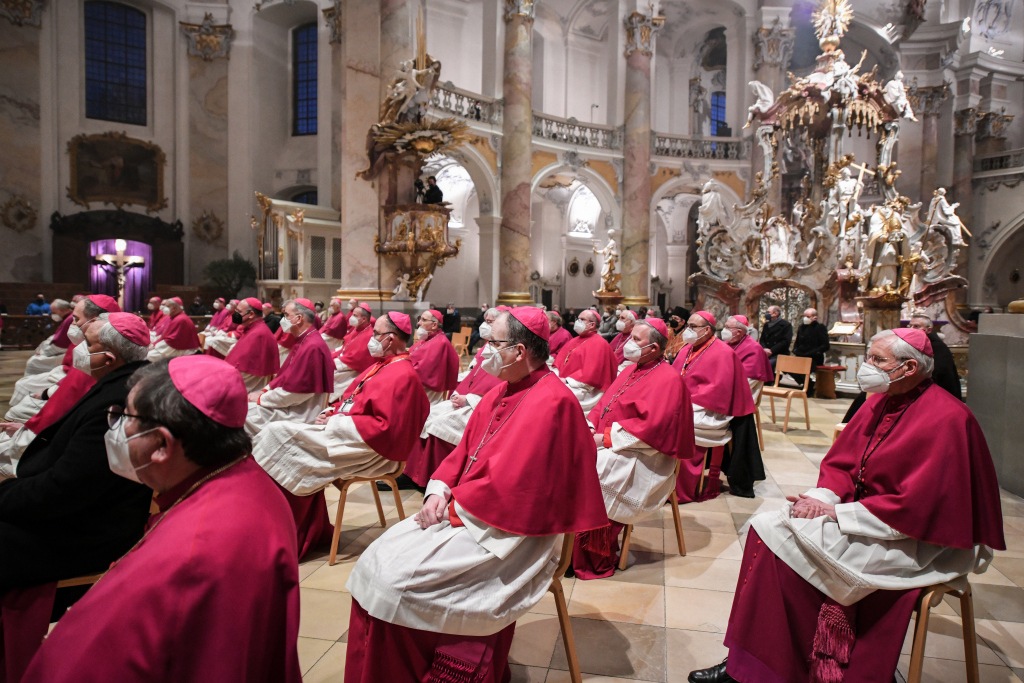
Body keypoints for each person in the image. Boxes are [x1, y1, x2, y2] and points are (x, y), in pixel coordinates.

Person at [687, 328, 1005, 683]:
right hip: (869, 517)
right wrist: (820, 498)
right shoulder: (880, 403)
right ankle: (751, 663)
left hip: (914, 539)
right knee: (767, 528)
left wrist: (836, 513)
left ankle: (775, 667)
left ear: (910, 367)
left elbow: (919, 507)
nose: (866, 367)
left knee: (787, 555)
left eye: (877, 360)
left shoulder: (948, 419)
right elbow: (844, 463)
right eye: (868, 356)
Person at [343, 307, 607, 682]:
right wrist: (438, 490)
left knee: (394, 582)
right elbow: (465, 451)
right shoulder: (503, 390)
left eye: (492, 342)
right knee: (376, 561)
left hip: (512, 537)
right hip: (474, 514)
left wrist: (454, 508)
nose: (484, 350)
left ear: (519, 351)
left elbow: (521, 489)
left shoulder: (552, 402)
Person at [22, 355, 302, 683]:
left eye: (123, 416)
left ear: (160, 445)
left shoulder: (190, 556)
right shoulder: (246, 476)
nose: (115, 428)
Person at [252, 312, 429, 559]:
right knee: (278, 434)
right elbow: (352, 399)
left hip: (369, 449)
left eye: (376, 334)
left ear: (390, 339)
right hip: (349, 433)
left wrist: (336, 421)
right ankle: (283, 526)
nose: (371, 338)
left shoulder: (403, 374)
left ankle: (294, 533)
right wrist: (331, 412)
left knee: (279, 436)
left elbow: (386, 428)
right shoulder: (384, 365)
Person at [0, 312, 153, 591]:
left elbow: (67, 487)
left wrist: (6, 495)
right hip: (78, 509)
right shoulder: (122, 382)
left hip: (86, 532)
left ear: (108, 359)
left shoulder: (117, 404)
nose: (79, 349)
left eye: (88, 343)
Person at [571, 318, 695, 579]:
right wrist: (591, 426)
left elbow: (652, 430)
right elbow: (603, 404)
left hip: (646, 457)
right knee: (569, 459)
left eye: (636, 340)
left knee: (593, 471)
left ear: (654, 347)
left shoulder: (668, 380)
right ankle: (565, 547)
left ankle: (592, 555)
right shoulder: (630, 370)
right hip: (617, 444)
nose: (629, 343)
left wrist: (604, 439)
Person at [404, 307, 504, 488]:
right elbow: (474, 377)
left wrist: (469, 399)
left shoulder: (504, 353)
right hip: (467, 400)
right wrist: (460, 393)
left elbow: (501, 390)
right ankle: (413, 473)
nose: (483, 325)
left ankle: (429, 477)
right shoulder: (487, 348)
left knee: (439, 424)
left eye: (489, 322)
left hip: (481, 407)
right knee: (428, 415)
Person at [672, 311, 761, 501]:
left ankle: (682, 488)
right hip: (689, 404)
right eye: (688, 325)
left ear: (706, 330)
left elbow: (718, 392)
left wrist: (684, 401)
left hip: (710, 411)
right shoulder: (687, 348)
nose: (688, 330)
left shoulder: (723, 353)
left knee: (676, 425)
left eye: (693, 327)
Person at [8, 294, 120, 420]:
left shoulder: (99, 351)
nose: (72, 324)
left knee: (21, 397)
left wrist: (46, 395)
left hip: (76, 406)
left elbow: (78, 388)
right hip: (66, 380)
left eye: (76, 319)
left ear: (94, 321)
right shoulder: (89, 341)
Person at [246, 298, 333, 435]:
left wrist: (261, 398)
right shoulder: (304, 340)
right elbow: (285, 376)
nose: (283, 319)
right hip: (291, 405)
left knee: (244, 414)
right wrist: (264, 391)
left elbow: (297, 393)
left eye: (286, 315)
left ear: (298, 318)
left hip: (299, 413)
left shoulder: (312, 347)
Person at [552, 308, 618, 413]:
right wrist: (556, 374)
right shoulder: (574, 340)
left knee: (552, 398)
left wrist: (567, 381)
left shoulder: (600, 344)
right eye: (578, 319)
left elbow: (591, 378)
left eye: (582, 319)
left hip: (585, 391)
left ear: (592, 325)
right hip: (566, 382)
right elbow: (559, 362)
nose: (578, 322)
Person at [220, 298, 280, 392]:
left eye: (239, 311)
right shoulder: (252, 328)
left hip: (246, 386)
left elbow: (245, 369)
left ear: (251, 314)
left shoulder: (258, 334)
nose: (235, 314)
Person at [409, 310, 460, 404]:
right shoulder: (427, 338)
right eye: (419, 319)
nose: (419, 323)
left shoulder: (440, 343)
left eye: (423, 320)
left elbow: (424, 371)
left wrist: (405, 367)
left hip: (427, 391)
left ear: (434, 325)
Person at [328, 301, 375, 400]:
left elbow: (356, 360)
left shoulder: (368, 335)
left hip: (354, 371)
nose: (351, 317)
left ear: (363, 319)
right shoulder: (357, 329)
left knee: (328, 375)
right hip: (346, 364)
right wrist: (331, 354)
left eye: (354, 315)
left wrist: (331, 361)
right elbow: (345, 347)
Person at [722, 315, 773, 402]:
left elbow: (747, 381)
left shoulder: (753, 348)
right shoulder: (726, 344)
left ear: (739, 332)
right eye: (724, 326)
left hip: (739, 394)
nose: (724, 330)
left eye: (727, 327)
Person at [22, 298, 73, 377]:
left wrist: (43, 352)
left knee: (32, 362)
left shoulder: (70, 319)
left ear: (63, 310)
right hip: (58, 350)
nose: (52, 314)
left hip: (62, 352)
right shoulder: (68, 318)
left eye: (53, 312)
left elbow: (60, 343)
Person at [791, 308, 830, 395]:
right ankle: (808, 383)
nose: (805, 318)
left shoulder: (820, 328)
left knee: (806, 367)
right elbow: (797, 341)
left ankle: (807, 386)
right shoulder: (802, 327)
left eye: (808, 316)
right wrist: (795, 350)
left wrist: (811, 353)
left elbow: (825, 345)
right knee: (789, 367)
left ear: (814, 317)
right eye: (804, 316)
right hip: (800, 355)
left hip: (814, 358)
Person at [758, 305, 793, 371]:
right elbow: (762, 339)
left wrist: (771, 350)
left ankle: (770, 380)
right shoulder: (766, 325)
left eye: (768, 312)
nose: (766, 314)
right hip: (765, 352)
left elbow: (785, 341)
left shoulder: (786, 325)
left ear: (775, 313)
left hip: (778, 353)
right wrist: (764, 348)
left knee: (768, 364)